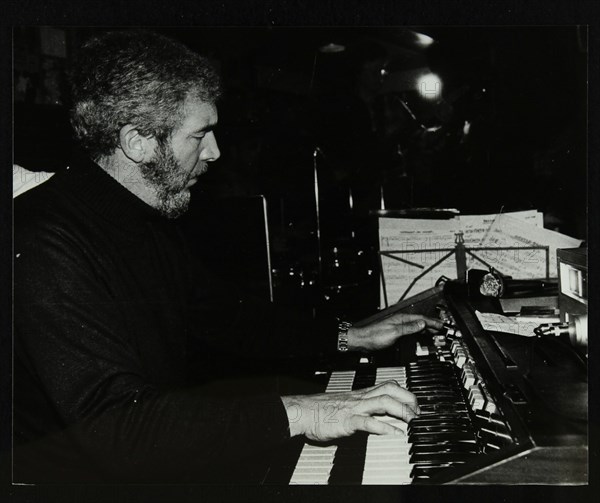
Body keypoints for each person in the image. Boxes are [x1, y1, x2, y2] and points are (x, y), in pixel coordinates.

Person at [13, 29, 443, 483]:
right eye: (200, 134)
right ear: (137, 142)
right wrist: (302, 414)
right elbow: (117, 427)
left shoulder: (141, 218)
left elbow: (226, 317)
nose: (214, 153)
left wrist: (346, 337)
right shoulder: (44, 241)